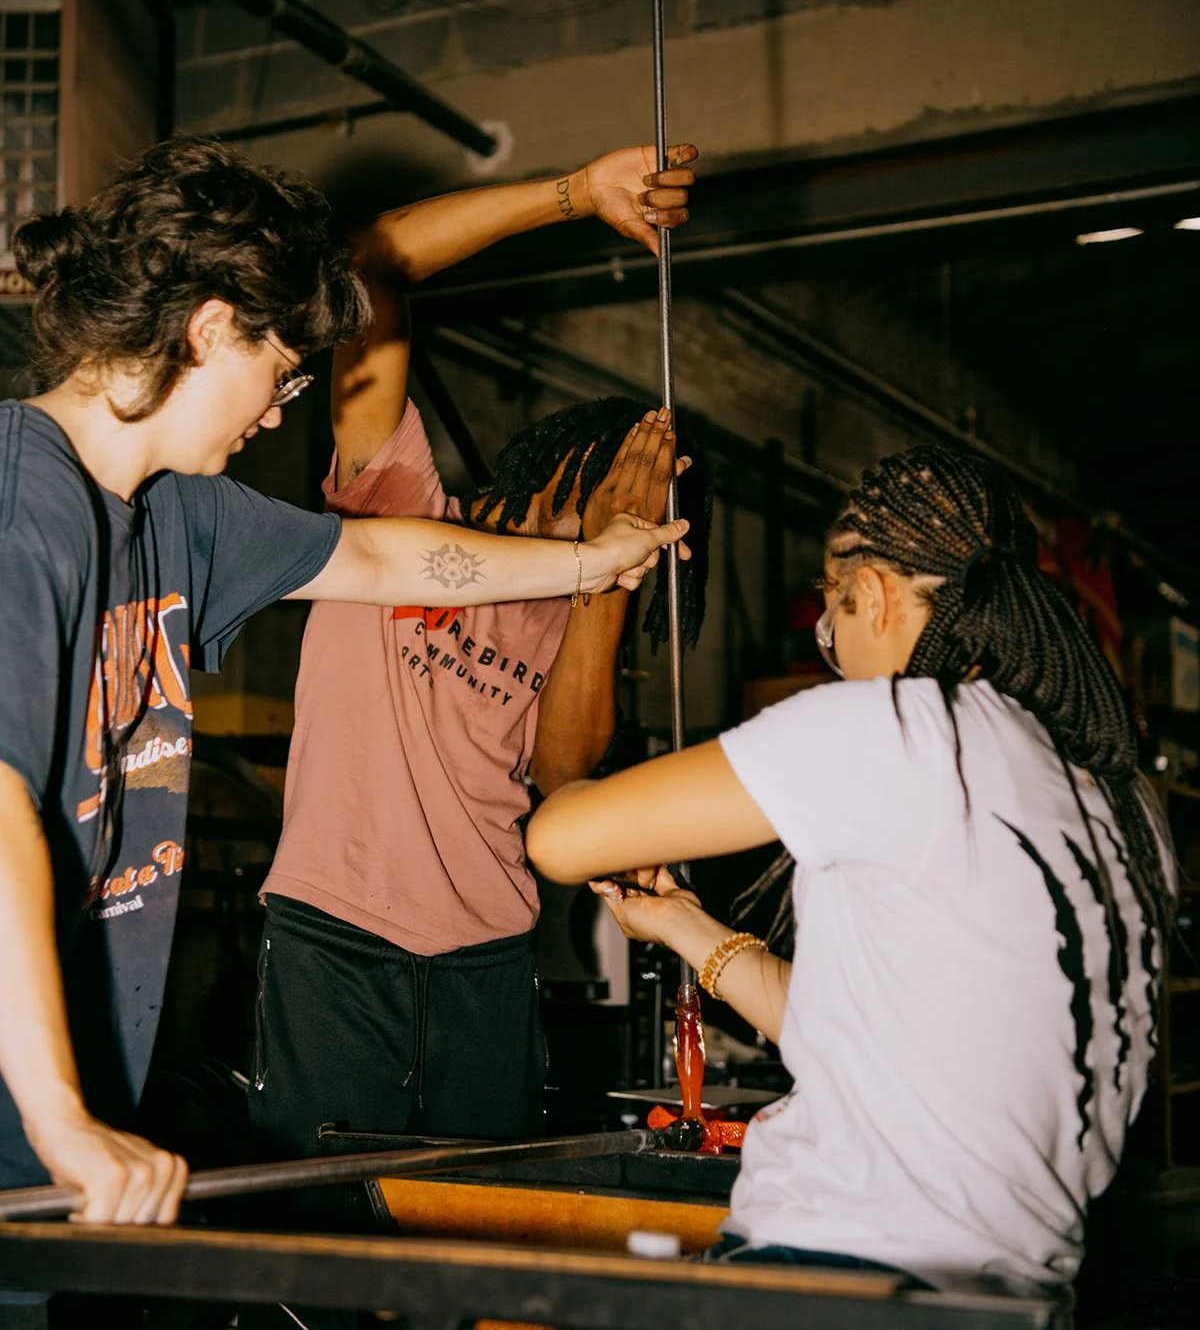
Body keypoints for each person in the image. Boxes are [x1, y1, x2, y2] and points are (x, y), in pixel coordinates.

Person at [0, 136, 684, 1321]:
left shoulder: (180, 519)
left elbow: (374, 557)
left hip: (64, 1091)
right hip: (36, 1102)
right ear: (211, 328)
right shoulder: (23, 504)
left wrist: (592, 565)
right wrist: (59, 1115)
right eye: (282, 371)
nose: (283, 411)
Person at [527, 443, 1174, 1303]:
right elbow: (865, 1036)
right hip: (997, 1295)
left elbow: (560, 836)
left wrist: (600, 583)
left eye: (832, 614)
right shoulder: (1112, 795)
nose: (830, 644)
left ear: (871, 593)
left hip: (836, 1273)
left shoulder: (905, 729)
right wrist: (683, 924)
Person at [249, 145, 711, 1168]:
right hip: (339, 938)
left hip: (490, 960)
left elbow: (562, 775)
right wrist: (574, 195)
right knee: (325, 1225)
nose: (630, 512)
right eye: (621, 487)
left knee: (479, 1226)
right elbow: (369, 263)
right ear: (565, 463)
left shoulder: (571, 612)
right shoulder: (399, 500)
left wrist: (609, 576)